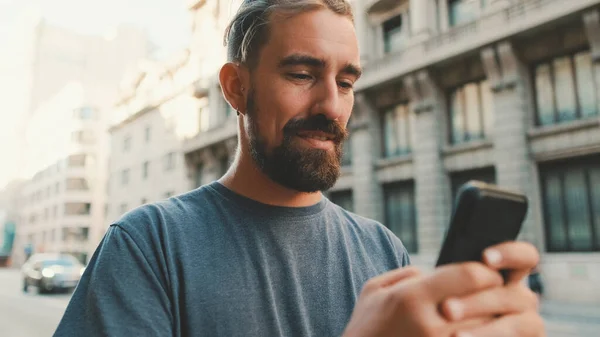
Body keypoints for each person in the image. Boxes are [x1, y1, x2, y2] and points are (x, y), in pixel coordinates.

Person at [54, 1, 544, 336]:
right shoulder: (147, 246)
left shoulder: (383, 250)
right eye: (302, 74)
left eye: (347, 81)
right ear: (236, 88)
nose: (332, 105)